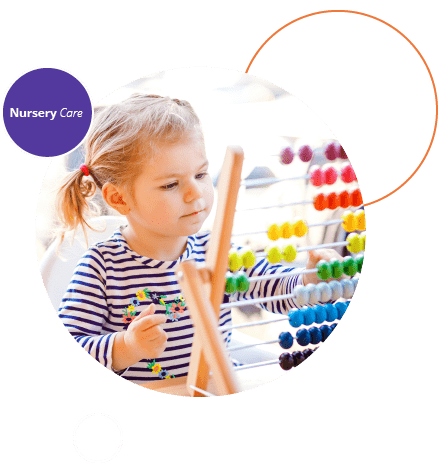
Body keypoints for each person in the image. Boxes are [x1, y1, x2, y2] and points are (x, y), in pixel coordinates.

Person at [56, 93, 343, 382]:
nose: (195, 193)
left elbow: (272, 286)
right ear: (119, 199)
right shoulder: (101, 268)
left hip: (218, 387)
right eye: (171, 184)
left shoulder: (215, 250)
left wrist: (307, 281)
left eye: (202, 174)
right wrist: (127, 347)